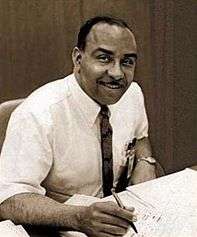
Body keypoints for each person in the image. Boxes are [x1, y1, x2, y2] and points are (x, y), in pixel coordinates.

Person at [0, 16, 157, 237]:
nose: (117, 73)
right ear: (78, 58)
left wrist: (145, 161)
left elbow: (141, 137)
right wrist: (78, 218)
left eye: (127, 61)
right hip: (62, 228)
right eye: (104, 58)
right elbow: (9, 199)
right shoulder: (38, 113)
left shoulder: (132, 94)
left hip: (123, 222)